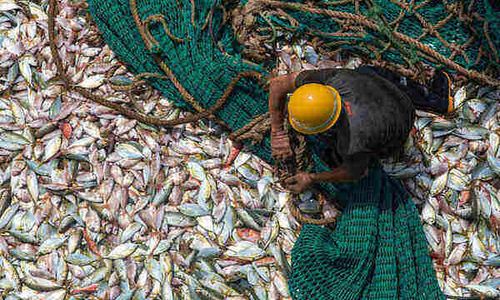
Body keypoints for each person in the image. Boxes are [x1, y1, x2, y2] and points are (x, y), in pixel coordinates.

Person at [269, 66, 453, 193]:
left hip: (400, 124)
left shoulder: (353, 140)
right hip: (385, 92)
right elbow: (278, 84)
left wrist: (311, 178)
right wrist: (277, 132)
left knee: (332, 153)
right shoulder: (336, 80)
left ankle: (434, 103)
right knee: (364, 72)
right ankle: (434, 100)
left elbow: (354, 172)